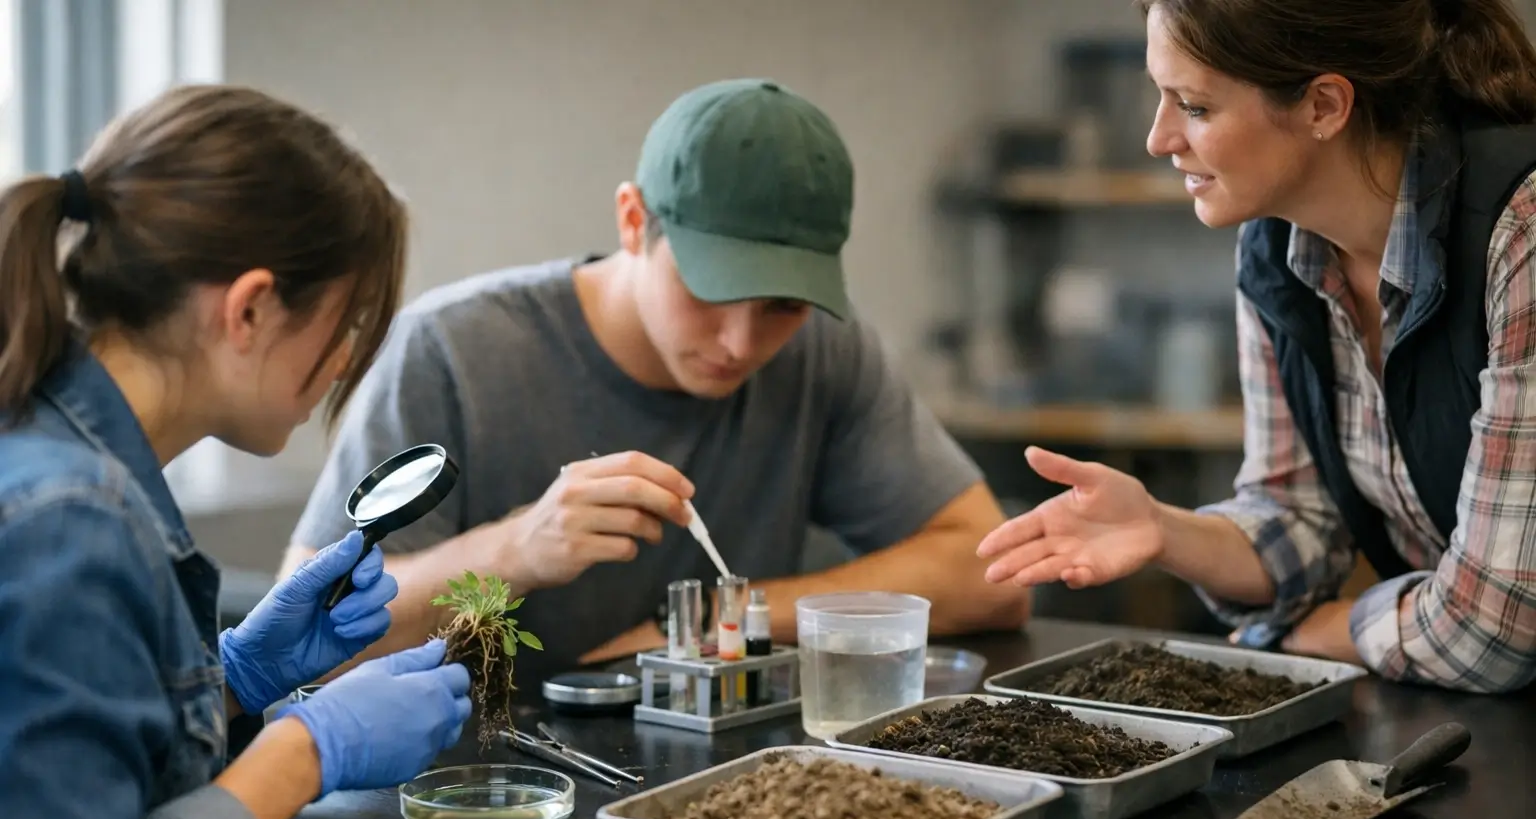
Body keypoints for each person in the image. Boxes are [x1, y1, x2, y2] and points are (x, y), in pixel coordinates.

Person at [284, 77, 1029, 683]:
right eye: (710, 289)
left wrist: (712, 620)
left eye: (781, 306)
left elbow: (993, 573)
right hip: (478, 786)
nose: (741, 344)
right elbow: (311, 634)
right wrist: (515, 552)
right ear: (633, 221)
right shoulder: (451, 350)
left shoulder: (824, 353)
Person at [0, 85, 473, 819]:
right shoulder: (71, 522)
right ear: (251, 309)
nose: (343, 364)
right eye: (343, 326)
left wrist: (236, 680)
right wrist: (305, 749)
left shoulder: (53, 455)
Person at [978, 0, 1536, 694]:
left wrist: (1320, 634)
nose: (1158, 138)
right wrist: (1161, 530)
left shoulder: (1520, 231)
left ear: (1324, 106)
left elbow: (1496, 628)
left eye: (1195, 106)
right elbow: (1297, 521)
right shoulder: (1276, 247)